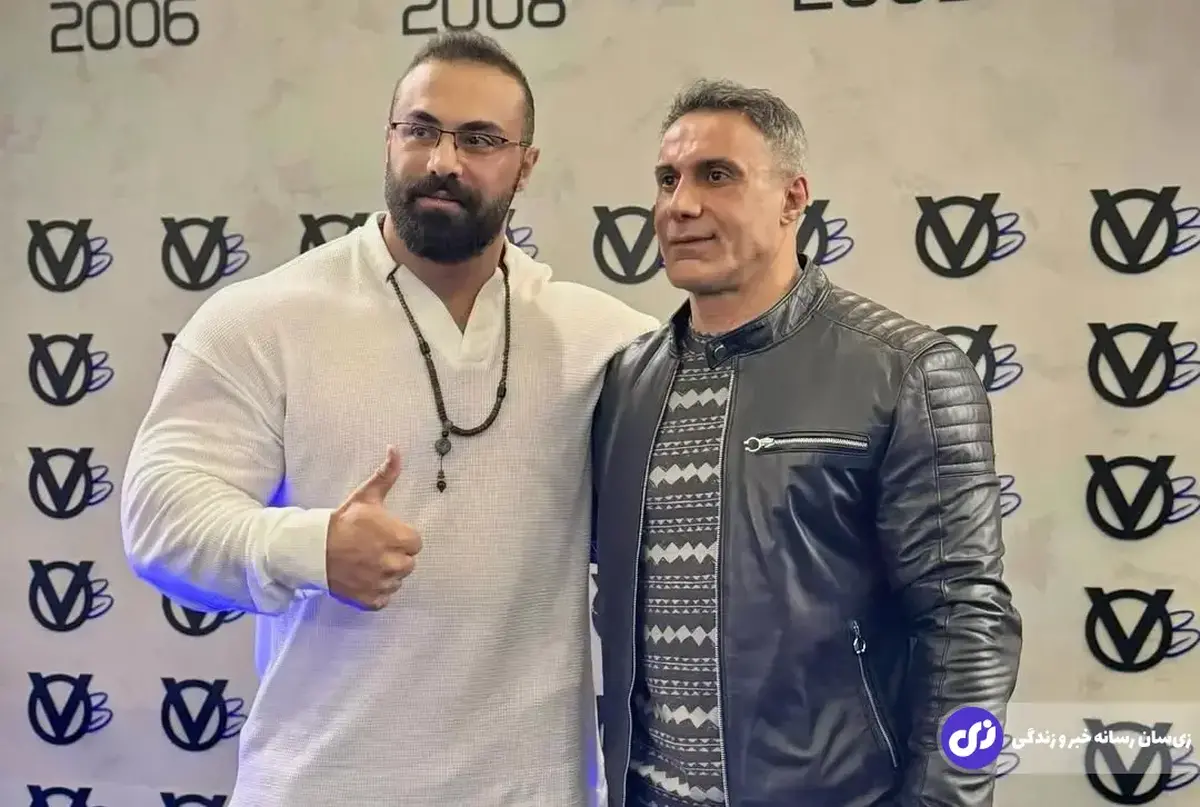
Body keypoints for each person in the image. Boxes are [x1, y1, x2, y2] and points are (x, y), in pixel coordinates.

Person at [121, 31, 656, 807]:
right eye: (421, 129)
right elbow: (159, 518)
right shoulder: (262, 320)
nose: (444, 160)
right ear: (389, 138)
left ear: (526, 165)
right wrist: (312, 546)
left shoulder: (604, 341)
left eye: (480, 139)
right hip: (318, 787)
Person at [590, 78, 1023, 807]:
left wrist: (947, 798)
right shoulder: (625, 383)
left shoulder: (906, 371)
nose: (680, 205)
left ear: (793, 199)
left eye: (716, 175)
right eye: (668, 179)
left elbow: (968, 626)